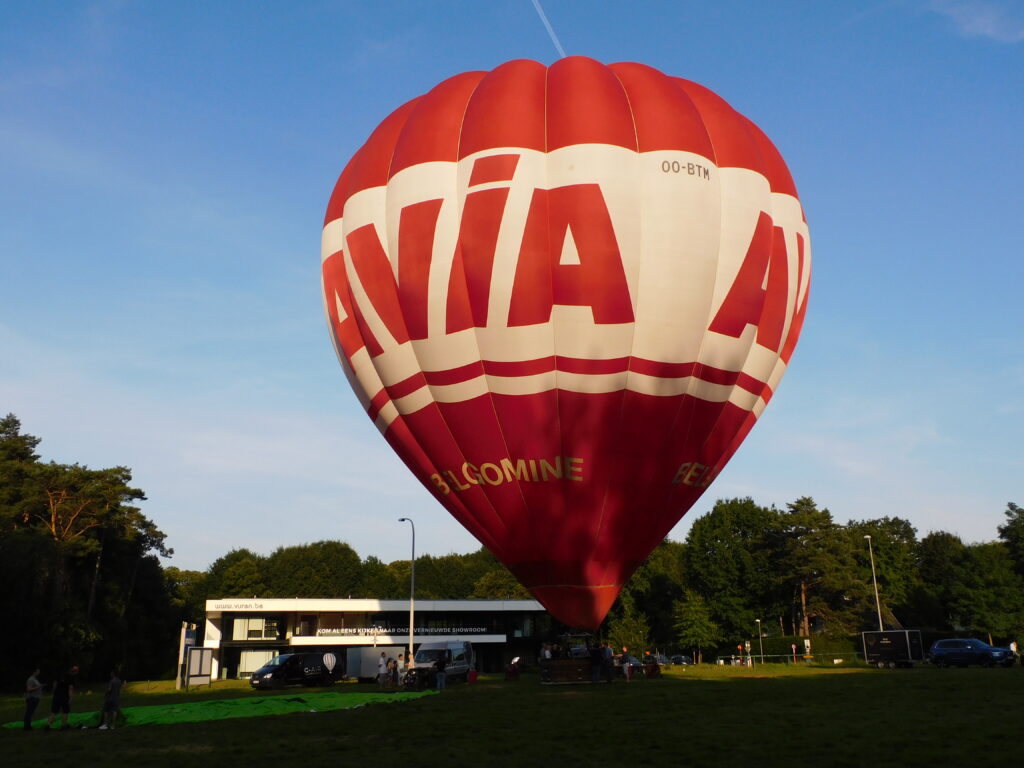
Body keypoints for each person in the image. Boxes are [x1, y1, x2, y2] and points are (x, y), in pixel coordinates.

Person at [46, 665, 78, 730]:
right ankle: (64, 725)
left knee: (53, 712)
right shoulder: (71, 678)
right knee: (65, 712)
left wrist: (53, 692)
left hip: (56, 696)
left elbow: (55, 684)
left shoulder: (61, 675)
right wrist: (71, 698)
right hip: (64, 697)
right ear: (75, 672)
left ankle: (47, 725)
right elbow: (70, 688)